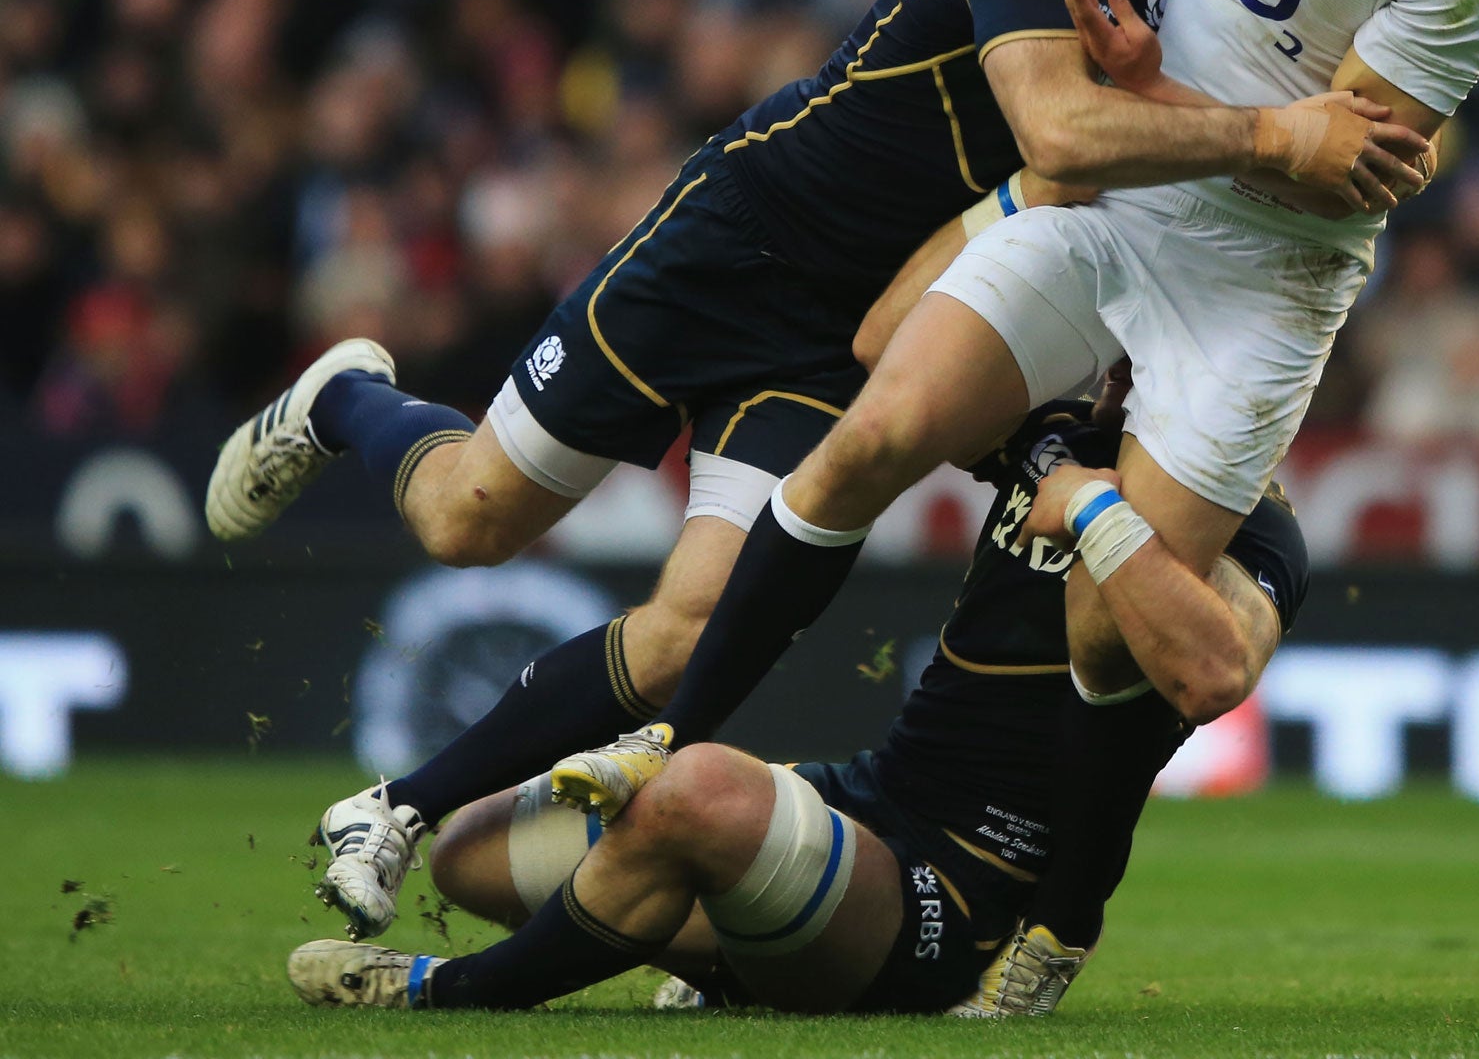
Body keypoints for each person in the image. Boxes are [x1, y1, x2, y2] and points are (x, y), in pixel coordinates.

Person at [213, 0, 1424, 941]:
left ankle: (396, 812)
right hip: (738, 246)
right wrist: (1274, 126)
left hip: (865, 310)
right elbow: (1060, 138)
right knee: (466, 518)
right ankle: (343, 401)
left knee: (692, 635)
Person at [551, 0, 1479, 1008]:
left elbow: (1328, 163)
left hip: (1262, 278)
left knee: (1113, 629)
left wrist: (1153, 98)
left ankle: (1064, 920)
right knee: (878, 427)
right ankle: (669, 729)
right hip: (1124, 195)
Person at [284, 392, 1308, 1017]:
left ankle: (443, 991)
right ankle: (750, 968)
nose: (1133, 370)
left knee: (696, 795)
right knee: (471, 852)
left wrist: (1092, 510)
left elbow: (1213, 664)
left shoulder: (1257, 540)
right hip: (874, 800)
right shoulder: (1065, 431)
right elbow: (909, 377)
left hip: (962, 894)